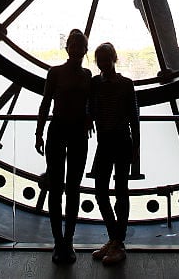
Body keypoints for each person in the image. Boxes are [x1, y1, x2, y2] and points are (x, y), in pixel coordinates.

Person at [35, 28, 93, 264]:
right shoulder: (87, 75)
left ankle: (59, 241)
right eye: (76, 46)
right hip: (79, 132)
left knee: (56, 188)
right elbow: (90, 102)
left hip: (57, 130)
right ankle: (67, 240)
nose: (77, 50)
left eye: (78, 46)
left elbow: (46, 103)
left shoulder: (55, 73)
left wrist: (39, 132)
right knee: (73, 189)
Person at [88, 41, 140, 266]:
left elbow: (90, 108)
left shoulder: (94, 84)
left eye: (103, 60)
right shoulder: (126, 84)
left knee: (101, 190)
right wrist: (136, 148)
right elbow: (133, 117)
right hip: (122, 141)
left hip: (106, 142)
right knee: (121, 192)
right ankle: (118, 240)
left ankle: (114, 238)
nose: (103, 64)